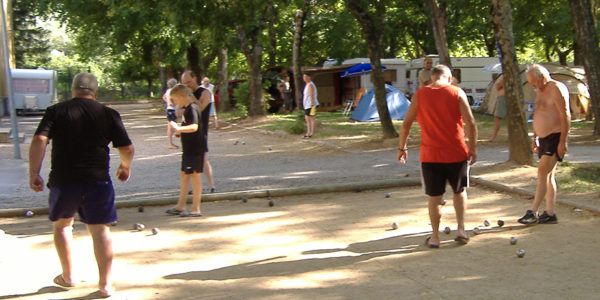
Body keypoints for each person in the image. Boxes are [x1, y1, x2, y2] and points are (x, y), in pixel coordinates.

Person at [28, 73, 134, 298]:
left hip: (64, 181)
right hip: (98, 180)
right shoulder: (108, 114)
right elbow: (127, 148)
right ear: (95, 91)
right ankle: (105, 285)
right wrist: (125, 166)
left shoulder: (56, 111)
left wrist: (34, 173)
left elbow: (39, 140)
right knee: (100, 231)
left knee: (63, 226)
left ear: (73, 90)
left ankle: (68, 276)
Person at [397, 65, 477, 248]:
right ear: (449, 78)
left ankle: (435, 237)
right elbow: (471, 123)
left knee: (434, 197)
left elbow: (406, 124)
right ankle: (461, 230)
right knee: (459, 191)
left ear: (432, 77)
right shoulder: (457, 93)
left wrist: (402, 148)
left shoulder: (419, 94)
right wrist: (473, 148)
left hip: (430, 155)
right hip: (456, 152)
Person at [518, 64, 571, 225]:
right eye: (531, 83)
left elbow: (565, 115)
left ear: (543, 77)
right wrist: (535, 137)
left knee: (542, 171)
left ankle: (533, 212)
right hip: (544, 138)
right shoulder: (540, 90)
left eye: (534, 82)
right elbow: (539, 113)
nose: (533, 86)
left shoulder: (556, 88)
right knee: (548, 176)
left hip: (555, 136)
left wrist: (563, 141)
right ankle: (550, 213)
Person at [165, 84, 209, 217]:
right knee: (184, 175)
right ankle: (180, 206)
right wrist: (181, 132)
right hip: (189, 148)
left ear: (181, 97)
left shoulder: (192, 108)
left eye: (175, 100)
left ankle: (196, 208)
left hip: (195, 148)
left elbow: (194, 127)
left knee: (195, 176)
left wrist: (178, 128)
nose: (174, 103)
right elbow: (188, 126)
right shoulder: (187, 109)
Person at [181, 70, 216, 193]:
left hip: (201, 130)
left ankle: (211, 185)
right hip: (188, 131)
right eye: (184, 84)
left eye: (189, 82)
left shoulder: (205, 92)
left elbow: (200, 108)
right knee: (189, 159)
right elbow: (178, 111)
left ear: (195, 78)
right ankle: (190, 188)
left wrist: (190, 97)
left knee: (203, 159)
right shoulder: (184, 94)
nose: (187, 85)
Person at [489, 74, 506, 141]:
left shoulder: (506, 75)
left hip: (503, 97)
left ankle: (493, 137)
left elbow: (498, 85)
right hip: (502, 97)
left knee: (497, 117)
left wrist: (498, 84)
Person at [163, 78, 179, 149]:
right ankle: (170, 143)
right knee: (172, 127)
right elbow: (173, 100)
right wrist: (174, 104)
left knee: (170, 127)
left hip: (169, 109)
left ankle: (171, 143)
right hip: (172, 109)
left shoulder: (168, 91)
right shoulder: (173, 91)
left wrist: (167, 102)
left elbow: (163, 97)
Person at [302, 73, 319, 139]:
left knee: (310, 118)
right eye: (304, 77)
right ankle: (309, 132)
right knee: (308, 118)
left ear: (309, 77)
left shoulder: (310, 85)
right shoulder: (307, 85)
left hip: (311, 104)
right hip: (307, 104)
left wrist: (312, 104)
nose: (305, 78)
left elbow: (311, 95)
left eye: (306, 77)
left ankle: (310, 133)